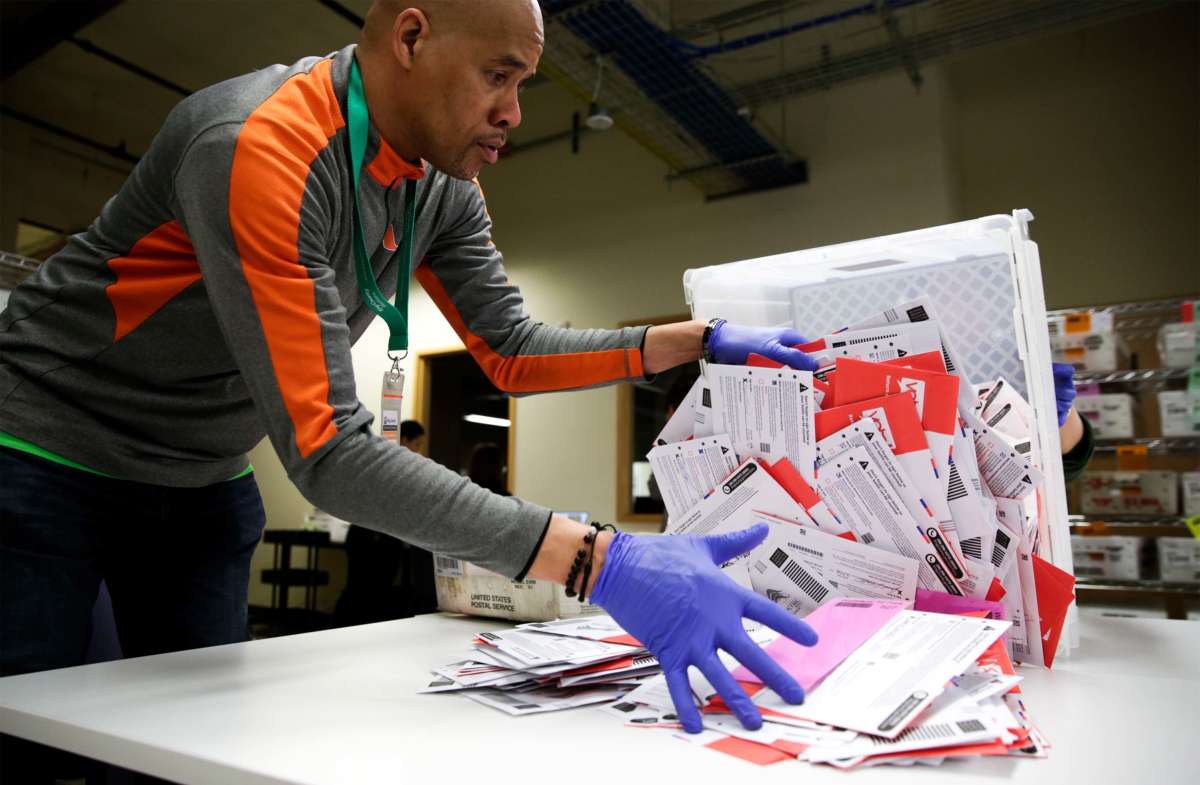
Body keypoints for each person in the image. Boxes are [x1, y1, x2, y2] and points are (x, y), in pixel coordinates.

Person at [0, 3, 820, 771]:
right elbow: (327, 450)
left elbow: (511, 350)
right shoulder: (257, 143)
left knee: (191, 747)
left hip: (201, 472)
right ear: (412, 37)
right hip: (46, 438)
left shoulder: (442, 186)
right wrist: (598, 561)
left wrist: (692, 343)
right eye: (498, 76)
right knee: (30, 727)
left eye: (522, 85)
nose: (514, 113)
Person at [334, 419, 431, 625]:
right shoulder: (395, 465)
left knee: (362, 591)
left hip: (368, 535)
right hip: (374, 537)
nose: (420, 451)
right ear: (404, 440)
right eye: (418, 444)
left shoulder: (380, 460)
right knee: (367, 593)